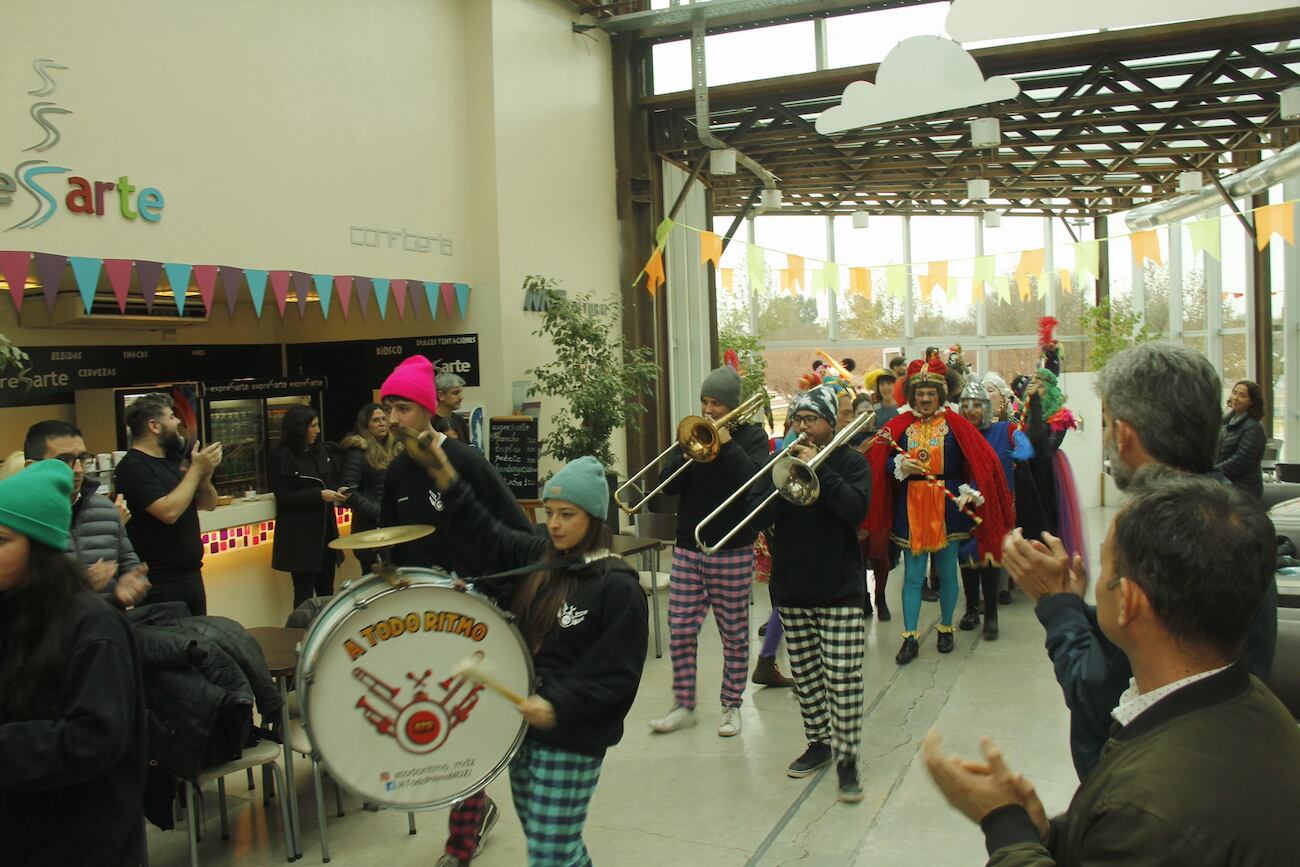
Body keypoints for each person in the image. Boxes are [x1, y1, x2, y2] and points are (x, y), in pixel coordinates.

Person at [926, 474, 1300, 865]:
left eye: (1104, 568)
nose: (1094, 581)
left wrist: (1004, 823)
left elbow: (1139, 831)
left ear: (1128, 602)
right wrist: (1054, 834)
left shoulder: (1147, 810)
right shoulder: (1255, 703)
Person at [1003, 341, 1278, 779]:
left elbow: (1099, 694)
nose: (1109, 438)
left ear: (1124, 433)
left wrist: (1056, 606)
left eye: (1108, 424)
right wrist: (1080, 606)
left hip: (1146, 780)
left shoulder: (1152, 536)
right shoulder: (1235, 514)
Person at [424, 452, 647, 866]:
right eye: (550, 513)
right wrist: (448, 479)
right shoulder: (542, 557)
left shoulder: (617, 587)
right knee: (552, 845)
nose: (555, 524)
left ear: (594, 519)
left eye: (567, 514)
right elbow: (487, 532)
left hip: (573, 739)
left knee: (549, 852)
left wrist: (555, 703)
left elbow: (616, 677)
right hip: (524, 733)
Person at [377, 354, 527, 864]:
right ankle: (476, 807)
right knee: (435, 721)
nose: (391, 419)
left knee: (461, 722)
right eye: (387, 409)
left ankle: (462, 836)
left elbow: (516, 539)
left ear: (424, 409)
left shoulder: (467, 463)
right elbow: (387, 543)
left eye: (399, 408)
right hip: (418, 620)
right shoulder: (396, 472)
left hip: (471, 616)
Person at [0, 460, 148, 866]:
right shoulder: (13, 615)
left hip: (84, 842)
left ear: (38, 550)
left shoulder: (93, 628)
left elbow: (93, 739)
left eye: (0, 540)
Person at [743, 385, 872, 802]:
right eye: (797, 419)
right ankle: (819, 743)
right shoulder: (780, 464)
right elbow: (758, 515)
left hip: (841, 587)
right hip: (793, 588)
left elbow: (855, 509)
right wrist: (781, 477)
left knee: (843, 677)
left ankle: (848, 760)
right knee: (809, 676)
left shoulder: (852, 463)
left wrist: (820, 470)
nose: (802, 426)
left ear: (830, 424)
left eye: (811, 419)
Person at [865, 359, 1014, 665]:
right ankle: (909, 636)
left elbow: (980, 460)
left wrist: (971, 489)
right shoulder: (898, 426)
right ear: (911, 394)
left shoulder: (957, 425)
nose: (925, 398)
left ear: (941, 394)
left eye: (931, 392)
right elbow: (880, 460)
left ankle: (946, 627)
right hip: (912, 506)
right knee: (913, 577)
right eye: (920, 393)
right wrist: (897, 465)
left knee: (947, 573)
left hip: (948, 507)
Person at [649, 367, 770, 738]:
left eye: (716, 402)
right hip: (688, 546)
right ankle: (684, 704)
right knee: (680, 628)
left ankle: (731, 705)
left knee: (733, 633)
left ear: (732, 406)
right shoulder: (693, 437)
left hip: (732, 547)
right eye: (705, 401)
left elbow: (752, 482)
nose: (709, 409)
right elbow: (665, 485)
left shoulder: (752, 437)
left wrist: (727, 443)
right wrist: (687, 451)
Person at [113, 393, 220, 616]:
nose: (178, 422)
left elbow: (209, 503)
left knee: (200, 645)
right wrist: (196, 470)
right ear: (154, 425)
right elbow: (169, 512)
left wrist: (205, 475)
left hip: (192, 575)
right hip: (160, 582)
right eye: (171, 417)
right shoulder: (132, 467)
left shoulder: (173, 460)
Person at [23, 421, 150, 608]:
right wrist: (79, 587)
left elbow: (129, 565)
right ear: (32, 467)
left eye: (82, 459)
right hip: (48, 634)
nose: (78, 470)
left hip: (107, 629)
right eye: (63, 460)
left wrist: (132, 583)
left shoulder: (105, 510)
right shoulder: (16, 520)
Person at [955, 383, 1030, 640]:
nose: (971, 410)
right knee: (966, 556)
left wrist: (1022, 445)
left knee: (990, 556)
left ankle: (992, 616)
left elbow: (1026, 449)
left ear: (986, 407)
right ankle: (971, 609)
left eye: (976, 404)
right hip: (964, 504)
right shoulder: (958, 436)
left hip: (996, 505)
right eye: (965, 405)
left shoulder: (1004, 430)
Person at [269, 405, 345, 608]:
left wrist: (338, 490)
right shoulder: (280, 457)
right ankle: (300, 635)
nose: (318, 430)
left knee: (326, 592)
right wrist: (319, 495)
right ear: (299, 428)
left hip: (326, 533)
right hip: (301, 538)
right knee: (304, 595)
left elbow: (329, 481)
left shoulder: (320, 452)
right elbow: (284, 498)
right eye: (313, 426)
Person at [339, 402, 397, 574]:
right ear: (366, 425)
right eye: (375, 420)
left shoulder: (393, 448)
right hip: (369, 528)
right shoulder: (358, 451)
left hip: (391, 526)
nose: (382, 424)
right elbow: (347, 490)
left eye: (383, 419)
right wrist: (378, 512)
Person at [1215, 379, 1267, 499]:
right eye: (1234, 392)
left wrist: (1213, 472)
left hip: (1244, 490)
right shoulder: (1226, 422)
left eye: (1242, 395)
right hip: (1224, 487)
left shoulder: (1254, 427)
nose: (1235, 398)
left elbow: (1241, 460)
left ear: (1252, 402)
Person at [435, 371, 472, 442]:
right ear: (441, 395)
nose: (461, 397)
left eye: (460, 392)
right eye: (455, 393)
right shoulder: (428, 423)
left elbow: (467, 450)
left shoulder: (460, 421)